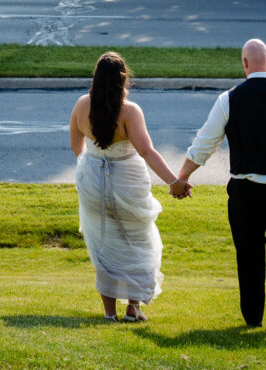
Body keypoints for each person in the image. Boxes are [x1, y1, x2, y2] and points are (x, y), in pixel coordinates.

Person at [169, 38, 266, 333]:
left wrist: (183, 176)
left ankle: (252, 315)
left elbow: (204, 144)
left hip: (245, 190)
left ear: (244, 64)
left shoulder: (229, 99)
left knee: (249, 253)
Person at [69, 51, 187, 323]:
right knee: (138, 240)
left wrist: (93, 168)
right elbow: (147, 151)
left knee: (103, 244)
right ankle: (133, 308)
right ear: (123, 79)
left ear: (95, 78)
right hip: (127, 180)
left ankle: (109, 314)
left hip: (92, 179)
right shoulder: (130, 111)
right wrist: (174, 181)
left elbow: (78, 147)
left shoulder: (81, 105)